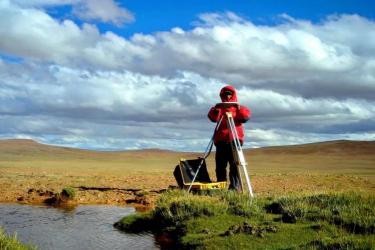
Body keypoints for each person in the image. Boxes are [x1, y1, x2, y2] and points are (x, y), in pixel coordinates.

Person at [207, 85, 251, 191]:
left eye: (229, 93)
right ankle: (221, 187)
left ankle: (235, 188)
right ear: (222, 95)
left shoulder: (240, 108)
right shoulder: (218, 108)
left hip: (235, 140)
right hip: (221, 141)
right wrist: (217, 109)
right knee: (220, 166)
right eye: (225, 94)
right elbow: (212, 118)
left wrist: (238, 108)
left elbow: (245, 118)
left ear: (233, 94)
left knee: (235, 165)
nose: (227, 96)